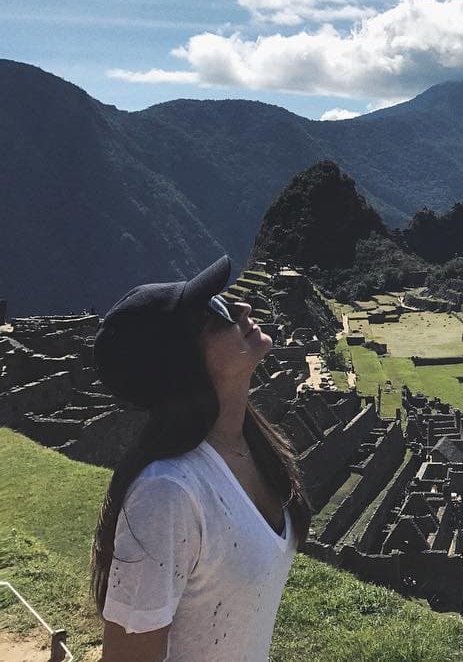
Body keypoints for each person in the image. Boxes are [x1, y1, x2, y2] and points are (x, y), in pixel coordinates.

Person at [90, 255, 311, 661]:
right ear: (181, 362)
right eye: (213, 315)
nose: (240, 308)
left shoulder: (252, 449)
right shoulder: (167, 495)